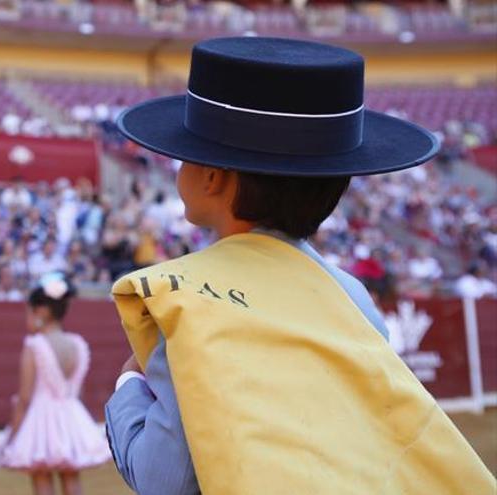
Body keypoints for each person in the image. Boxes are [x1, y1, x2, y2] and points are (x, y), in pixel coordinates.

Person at [105, 37, 494, 495]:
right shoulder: (352, 295)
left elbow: (165, 480)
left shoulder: (185, 297)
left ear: (211, 177)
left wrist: (130, 382)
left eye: (185, 155)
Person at [0, 274, 111, 495]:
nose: (27, 317)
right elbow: (78, 393)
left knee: (42, 478)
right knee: (71, 477)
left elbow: (25, 398)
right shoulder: (77, 344)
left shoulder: (35, 345)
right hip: (71, 416)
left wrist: (13, 435)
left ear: (42, 312)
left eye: (29, 312)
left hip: (40, 419)